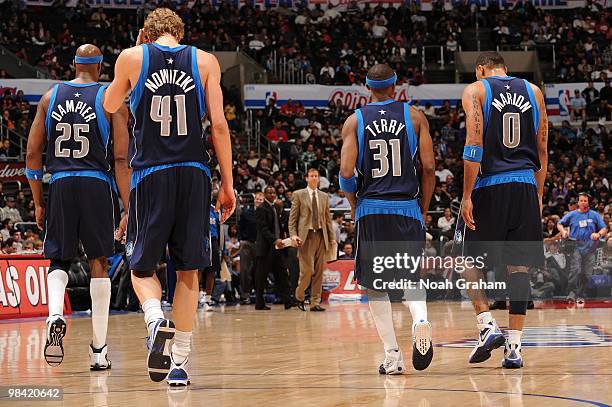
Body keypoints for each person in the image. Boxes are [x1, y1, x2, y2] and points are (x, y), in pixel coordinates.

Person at [103, 8, 235, 386]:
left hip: (151, 172)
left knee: (142, 267)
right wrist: (227, 183)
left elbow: (110, 104)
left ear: (146, 32)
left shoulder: (132, 57)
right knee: (189, 269)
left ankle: (155, 319)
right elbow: (220, 126)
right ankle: (178, 362)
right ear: (181, 33)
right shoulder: (206, 61)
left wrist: (130, 82)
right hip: (195, 172)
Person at [26, 44, 130, 371]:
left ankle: (55, 315)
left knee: (58, 257)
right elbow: (121, 159)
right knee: (99, 261)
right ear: (100, 67)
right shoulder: (110, 99)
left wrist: (39, 202)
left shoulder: (49, 97)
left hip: (60, 182)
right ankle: (98, 350)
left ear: (74, 64)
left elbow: (31, 158)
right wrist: (127, 207)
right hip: (97, 182)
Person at [339, 64, 436, 374]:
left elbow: (345, 173)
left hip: (372, 209)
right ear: (396, 87)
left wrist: (355, 204)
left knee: (375, 287)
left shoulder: (355, 121)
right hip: (407, 208)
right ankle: (420, 320)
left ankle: (392, 357)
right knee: (410, 278)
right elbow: (429, 168)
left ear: (368, 88)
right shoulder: (416, 117)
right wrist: (423, 209)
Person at [459, 51, 548, 369]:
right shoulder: (533, 91)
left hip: (490, 186)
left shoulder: (475, 89)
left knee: (468, 261)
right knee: (519, 269)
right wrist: (537, 195)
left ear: (481, 69)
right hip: (525, 185)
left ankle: (487, 325)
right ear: (506, 69)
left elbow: (474, 143)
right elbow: (542, 148)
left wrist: (467, 194)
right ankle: (515, 349)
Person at [289, 168, 335, 312]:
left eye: (316, 176)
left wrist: (332, 238)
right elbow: (293, 219)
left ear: (319, 179)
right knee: (308, 270)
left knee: (319, 271)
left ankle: (315, 302)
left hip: (321, 236)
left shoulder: (324, 196)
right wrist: (293, 235)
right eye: (311, 176)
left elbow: (327, 219)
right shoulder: (298, 194)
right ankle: (299, 296)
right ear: (307, 178)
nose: (314, 178)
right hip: (305, 237)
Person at [557, 193, 607, 302]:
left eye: (585, 200)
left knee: (587, 273)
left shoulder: (594, 215)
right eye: (581, 200)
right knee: (575, 270)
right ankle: (571, 293)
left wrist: (598, 234)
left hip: (590, 248)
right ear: (578, 202)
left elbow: (604, 228)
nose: (583, 202)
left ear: (588, 202)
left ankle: (581, 294)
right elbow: (559, 224)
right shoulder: (572, 214)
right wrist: (563, 231)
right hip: (576, 247)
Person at [254, 186, 292, 310]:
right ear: (265, 195)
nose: (272, 194)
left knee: (282, 274)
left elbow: (278, 226)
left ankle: (288, 301)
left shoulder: (275, 208)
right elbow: (263, 229)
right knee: (261, 277)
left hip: (277, 247)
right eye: (269, 193)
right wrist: (274, 239)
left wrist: (282, 237)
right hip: (265, 248)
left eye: (273, 192)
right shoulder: (261, 209)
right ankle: (259, 303)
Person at [238, 192, 263, 304]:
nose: (258, 201)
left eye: (261, 200)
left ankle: (259, 295)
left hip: (261, 245)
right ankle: (245, 295)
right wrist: (241, 240)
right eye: (257, 199)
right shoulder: (246, 213)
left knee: (260, 271)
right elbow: (240, 227)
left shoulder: (266, 213)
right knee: (245, 270)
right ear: (254, 200)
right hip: (247, 243)